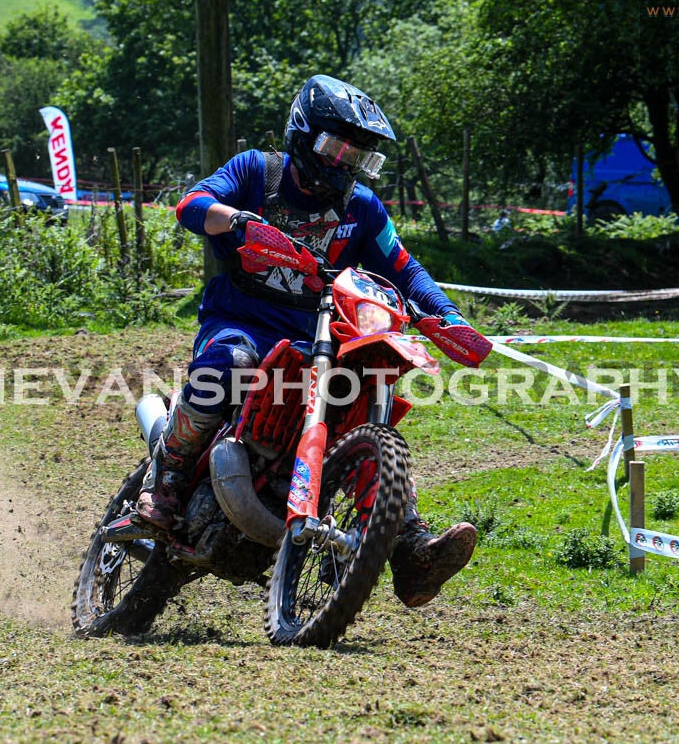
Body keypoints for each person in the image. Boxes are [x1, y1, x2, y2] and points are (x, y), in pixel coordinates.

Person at [135, 74, 481, 608]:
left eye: (359, 156)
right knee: (230, 367)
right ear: (303, 133)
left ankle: (408, 545)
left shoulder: (363, 208)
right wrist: (239, 222)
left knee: (367, 403)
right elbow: (192, 205)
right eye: (337, 148)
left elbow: (405, 269)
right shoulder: (258, 170)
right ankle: (168, 478)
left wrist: (449, 318)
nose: (346, 163)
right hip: (242, 320)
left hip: (321, 336)